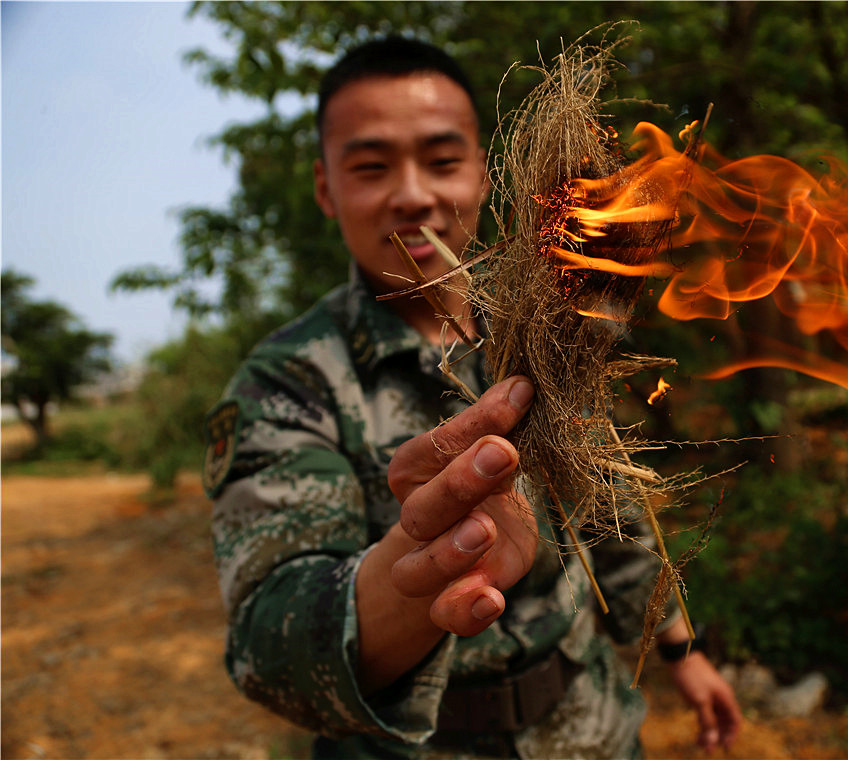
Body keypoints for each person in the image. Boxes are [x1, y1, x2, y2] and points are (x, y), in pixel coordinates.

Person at [205, 36, 742, 759]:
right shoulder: (289, 382)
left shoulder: (552, 331)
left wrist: (681, 649)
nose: (413, 195)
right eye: (370, 168)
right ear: (326, 189)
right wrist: (415, 575)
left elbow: (613, 511)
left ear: (486, 174)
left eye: (442, 160)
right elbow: (271, 646)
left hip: (595, 731)